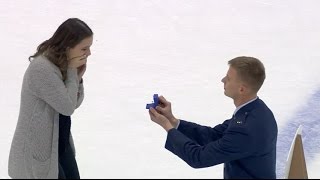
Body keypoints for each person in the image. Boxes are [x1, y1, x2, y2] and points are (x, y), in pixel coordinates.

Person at [148, 56, 278, 179]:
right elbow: (214, 135)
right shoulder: (256, 109)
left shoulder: (245, 129)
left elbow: (198, 157)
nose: (223, 80)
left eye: (228, 78)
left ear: (242, 89)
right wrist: (173, 121)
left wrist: (168, 127)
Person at [8, 18, 93, 179]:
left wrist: (77, 78)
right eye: (84, 48)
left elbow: (74, 103)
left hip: (59, 143)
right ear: (68, 46)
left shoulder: (61, 62)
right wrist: (72, 72)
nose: (88, 53)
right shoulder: (42, 68)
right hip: (39, 151)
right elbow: (67, 107)